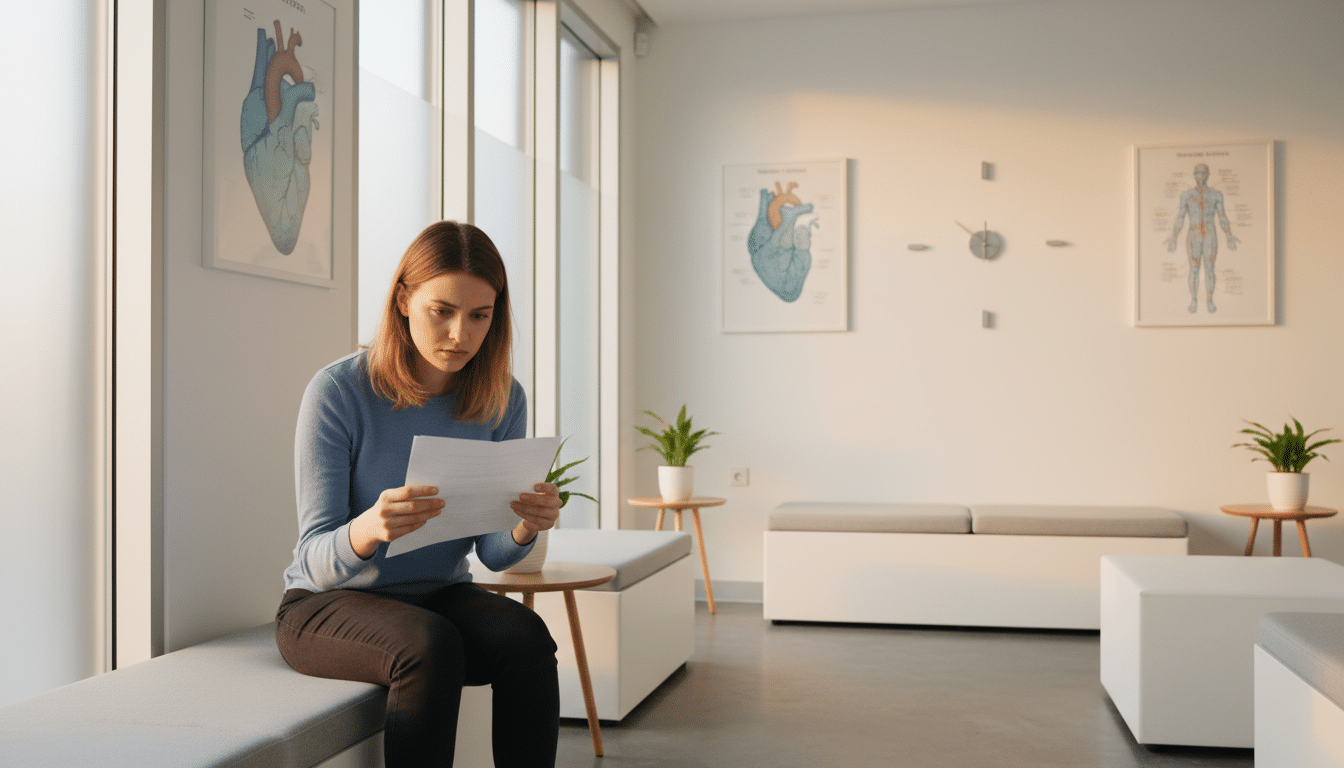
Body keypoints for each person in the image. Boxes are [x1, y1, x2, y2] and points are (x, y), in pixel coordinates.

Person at [275, 220, 562, 767]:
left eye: (480, 316)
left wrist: (525, 526)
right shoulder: (338, 392)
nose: (461, 334)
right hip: (324, 605)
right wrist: (368, 529)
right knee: (430, 643)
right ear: (404, 299)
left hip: (436, 596)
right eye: (442, 311)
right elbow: (312, 561)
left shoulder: (502, 398)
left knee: (526, 636)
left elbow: (492, 553)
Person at [1165, 162, 1240, 314]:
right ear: (1194, 175)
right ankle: (1193, 300)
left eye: (1204, 173)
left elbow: (1222, 215)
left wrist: (1229, 234)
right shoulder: (1186, 195)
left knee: (1210, 269)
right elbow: (1180, 216)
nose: (1201, 176)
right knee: (1194, 269)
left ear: (1208, 174)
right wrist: (1174, 235)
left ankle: (1210, 301)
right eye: (1198, 173)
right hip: (1193, 234)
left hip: (1210, 233)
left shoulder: (1216, 194)